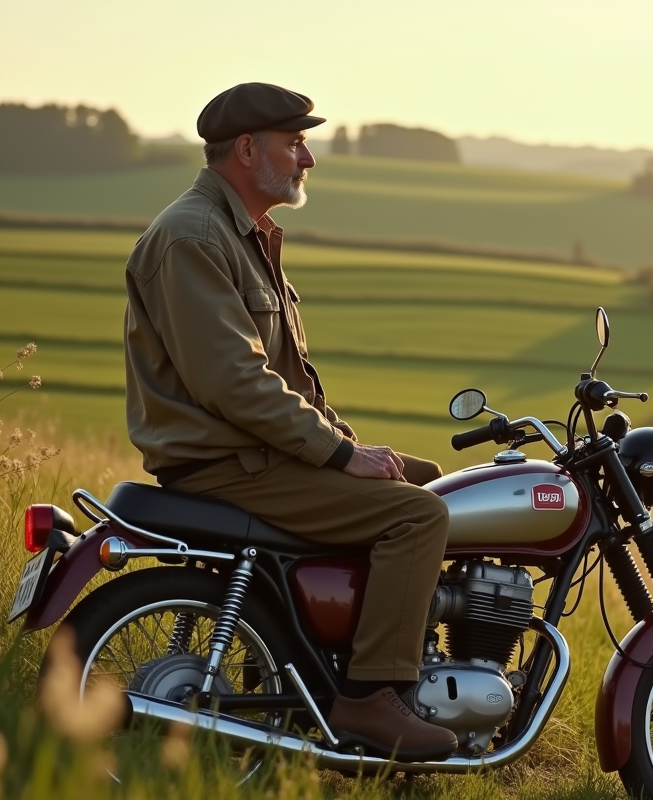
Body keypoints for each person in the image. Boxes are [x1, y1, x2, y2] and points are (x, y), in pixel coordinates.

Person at [123, 82, 457, 760]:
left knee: (433, 482)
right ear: (247, 150)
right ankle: (369, 698)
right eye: (295, 143)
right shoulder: (192, 236)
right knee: (417, 517)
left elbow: (289, 377)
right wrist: (338, 457)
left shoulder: (241, 233)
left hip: (254, 454)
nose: (307, 159)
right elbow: (236, 382)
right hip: (230, 465)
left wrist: (351, 445)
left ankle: (329, 660)